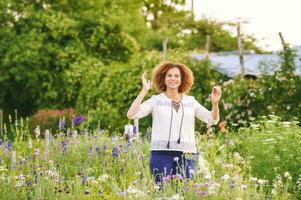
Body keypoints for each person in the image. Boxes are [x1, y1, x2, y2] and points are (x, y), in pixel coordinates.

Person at [127, 61, 221, 186]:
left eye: (177, 76)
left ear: (182, 80)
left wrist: (215, 104)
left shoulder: (190, 101)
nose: (173, 78)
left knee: (186, 192)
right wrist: (144, 90)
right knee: (162, 192)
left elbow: (212, 119)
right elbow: (132, 114)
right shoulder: (156, 100)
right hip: (160, 154)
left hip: (187, 155)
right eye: (169, 75)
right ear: (163, 79)